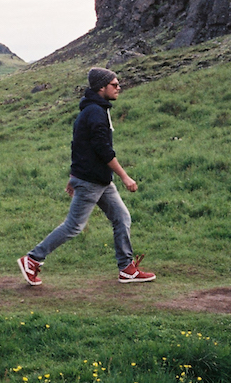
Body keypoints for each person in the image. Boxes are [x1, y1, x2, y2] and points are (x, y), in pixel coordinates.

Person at [18, 67, 155, 286]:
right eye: (114, 84)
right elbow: (103, 150)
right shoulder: (94, 112)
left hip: (99, 179)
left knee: (121, 217)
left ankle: (127, 269)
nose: (119, 87)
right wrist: (125, 177)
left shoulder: (96, 109)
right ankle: (33, 259)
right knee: (73, 226)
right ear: (101, 87)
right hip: (92, 181)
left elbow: (79, 145)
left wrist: (74, 175)